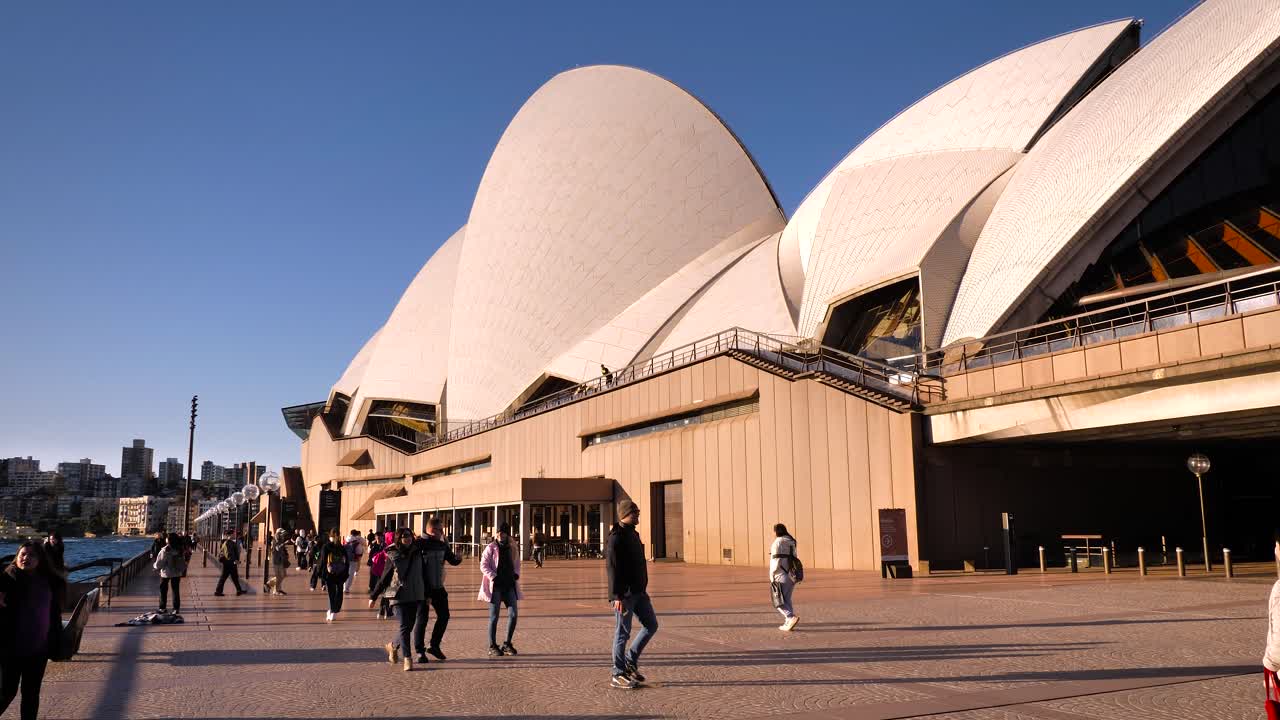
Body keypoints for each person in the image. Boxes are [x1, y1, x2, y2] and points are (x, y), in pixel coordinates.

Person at [0, 541, 65, 720]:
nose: (26, 558)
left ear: (40, 559)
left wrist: (55, 641)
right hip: (11, 649)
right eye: (23, 554)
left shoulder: (48, 581)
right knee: (6, 692)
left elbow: (54, 614)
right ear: (17, 556)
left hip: (38, 649)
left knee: (31, 694)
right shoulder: (8, 577)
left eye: (31, 555)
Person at [606, 499, 658, 690]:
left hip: (639, 592)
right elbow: (612, 569)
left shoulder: (633, 534)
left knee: (651, 625)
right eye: (634, 513)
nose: (637, 515)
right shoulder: (616, 537)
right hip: (625, 595)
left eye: (637, 512)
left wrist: (643, 588)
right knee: (622, 633)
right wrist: (616, 596)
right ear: (624, 515)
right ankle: (617, 673)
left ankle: (630, 660)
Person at [369, 528, 423, 672]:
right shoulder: (392, 554)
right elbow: (385, 576)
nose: (408, 538)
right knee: (405, 625)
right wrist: (374, 596)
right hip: (397, 595)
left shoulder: (418, 552)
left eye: (410, 536)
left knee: (408, 627)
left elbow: (423, 573)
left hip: (415, 593)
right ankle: (407, 658)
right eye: (404, 536)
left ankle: (392, 645)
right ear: (398, 538)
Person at [415, 515, 462, 662]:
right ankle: (419, 651)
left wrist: (458, 557)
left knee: (444, 616)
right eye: (440, 530)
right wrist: (426, 593)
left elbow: (452, 560)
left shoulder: (441, 545)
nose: (442, 533)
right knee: (422, 619)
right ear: (431, 529)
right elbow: (418, 570)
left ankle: (434, 646)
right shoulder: (419, 545)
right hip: (422, 589)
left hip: (438, 587)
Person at [479, 522, 521, 657]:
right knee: (494, 617)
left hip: (509, 585)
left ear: (507, 534)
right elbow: (483, 565)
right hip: (496, 587)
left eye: (502, 532)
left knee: (513, 615)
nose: (499, 535)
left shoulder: (512, 547)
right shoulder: (491, 547)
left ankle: (507, 644)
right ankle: (492, 645)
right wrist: (493, 577)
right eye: (498, 532)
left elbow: (517, 563)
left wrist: (516, 573)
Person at [770, 523, 800, 631]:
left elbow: (775, 560)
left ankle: (790, 617)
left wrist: (772, 576)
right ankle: (788, 622)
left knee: (778, 601)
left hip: (780, 574)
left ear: (776, 531)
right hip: (792, 574)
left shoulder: (778, 542)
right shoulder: (792, 541)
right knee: (787, 599)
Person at [319, 529, 350, 621]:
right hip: (341, 573)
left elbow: (323, 561)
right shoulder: (342, 547)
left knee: (331, 593)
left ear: (330, 536)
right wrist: (346, 573)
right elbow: (346, 562)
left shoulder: (326, 547)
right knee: (339, 592)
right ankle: (335, 611)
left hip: (330, 573)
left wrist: (321, 574)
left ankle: (332, 611)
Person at [153, 532, 188, 613]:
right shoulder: (179, 549)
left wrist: (154, 566)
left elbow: (159, 563)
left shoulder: (165, 550)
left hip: (166, 573)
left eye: (167, 538)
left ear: (168, 540)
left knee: (163, 590)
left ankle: (162, 607)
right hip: (177, 572)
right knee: (175, 590)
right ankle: (176, 608)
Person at [214, 531, 246, 596]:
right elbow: (229, 554)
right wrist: (235, 561)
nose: (234, 535)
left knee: (234, 577)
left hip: (229, 563)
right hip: (229, 564)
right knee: (224, 578)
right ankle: (218, 591)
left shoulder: (228, 542)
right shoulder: (228, 543)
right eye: (233, 534)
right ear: (230, 535)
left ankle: (239, 590)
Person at [369, 531, 393, 619]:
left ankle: (383, 611)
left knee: (385, 591)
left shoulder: (385, 548)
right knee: (388, 591)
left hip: (381, 572)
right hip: (386, 572)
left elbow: (372, 558)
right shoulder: (390, 549)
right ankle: (387, 611)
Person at [265, 528, 292, 595]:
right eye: (281, 533)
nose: (283, 535)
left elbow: (281, 550)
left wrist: (286, 554)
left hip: (280, 560)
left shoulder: (280, 539)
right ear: (278, 533)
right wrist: (284, 543)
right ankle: (276, 589)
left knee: (283, 575)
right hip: (276, 560)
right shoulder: (275, 540)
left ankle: (271, 585)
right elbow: (277, 548)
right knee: (279, 576)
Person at [343, 529, 366, 594]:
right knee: (350, 574)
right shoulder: (357, 541)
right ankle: (346, 588)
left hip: (345, 558)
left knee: (345, 572)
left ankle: (343, 586)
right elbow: (359, 551)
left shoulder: (346, 539)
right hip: (354, 559)